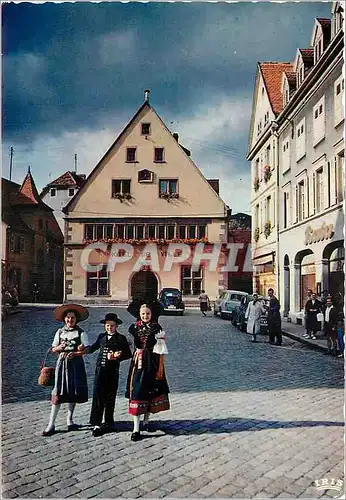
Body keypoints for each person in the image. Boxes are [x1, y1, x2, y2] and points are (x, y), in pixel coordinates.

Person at [42, 304, 89, 436]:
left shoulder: (81, 333)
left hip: (76, 365)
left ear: (76, 319)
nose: (70, 320)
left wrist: (79, 351)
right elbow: (53, 349)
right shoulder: (60, 332)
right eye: (68, 318)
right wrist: (60, 348)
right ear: (64, 319)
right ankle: (51, 424)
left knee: (72, 391)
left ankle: (70, 420)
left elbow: (87, 349)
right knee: (57, 392)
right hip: (62, 364)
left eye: (72, 318)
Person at [126, 299, 169, 441]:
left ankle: (146, 419)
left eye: (148, 313)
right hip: (138, 362)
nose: (145, 316)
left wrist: (159, 367)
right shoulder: (134, 328)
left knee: (149, 389)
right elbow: (130, 343)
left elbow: (161, 349)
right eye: (143, 313)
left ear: (152, 314)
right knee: (137, 391)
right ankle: (136, 428)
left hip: (152, 362)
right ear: (139, 314)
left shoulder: (157, 328)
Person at [84, 313, 132, 437]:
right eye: (107, 325)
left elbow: (128, 354)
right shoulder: (101, 337)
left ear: (116, 326)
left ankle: (109, 421)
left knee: (110, 396)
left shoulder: (120, 338)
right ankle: (96, 423)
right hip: (100, 371)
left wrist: (118, 356)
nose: (109, 328)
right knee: (98, 395)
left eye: (112, 325)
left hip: (112, 371)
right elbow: (93, 347)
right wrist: (82, 350)